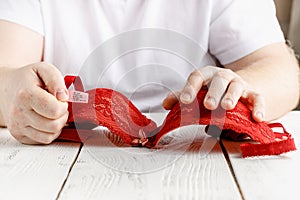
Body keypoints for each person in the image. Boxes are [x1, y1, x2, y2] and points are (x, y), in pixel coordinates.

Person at [0, 0, 298, 145]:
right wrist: (12, 92)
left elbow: (281, 69)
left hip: (196, 155)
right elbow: (6, 72)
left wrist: (242, 89)